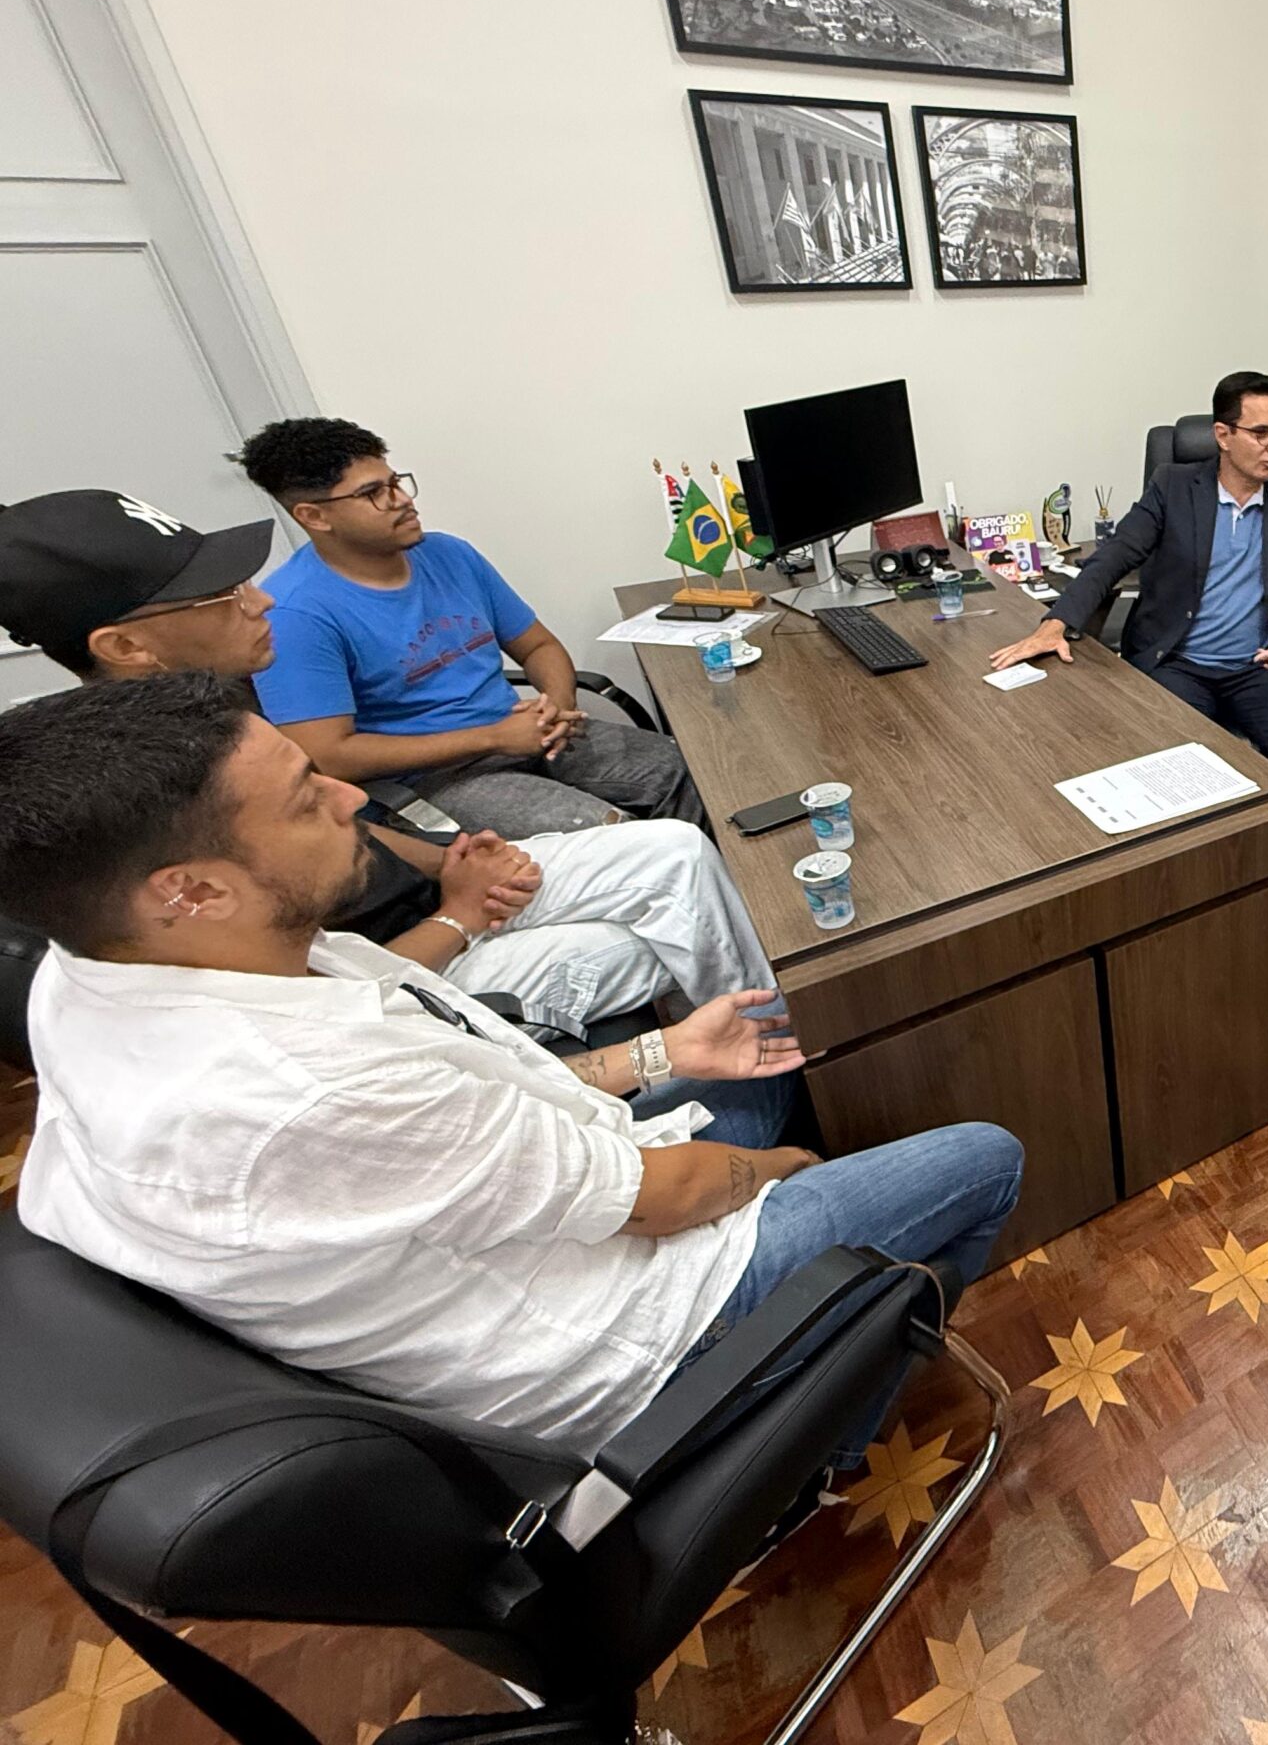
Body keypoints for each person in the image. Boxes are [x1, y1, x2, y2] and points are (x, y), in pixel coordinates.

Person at [0, 673, 1023, 1462]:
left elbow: (486, 1090)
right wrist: (787, 1171)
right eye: (306, 798)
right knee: (984, 1157)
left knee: (763, 1057)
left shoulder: (95, 971)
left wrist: (666, 1052)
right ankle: (807, 1446)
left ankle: (824, 1330)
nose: (351, 798)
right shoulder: (302, 1087)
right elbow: (669, 1199)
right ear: (190, 890)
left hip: (551, 1219)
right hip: (639, 1332)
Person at [0, 489, 769, 1041]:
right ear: (125, 646)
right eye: (223, 596)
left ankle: (775, 1024)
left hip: (434, 898)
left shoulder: (216, 704)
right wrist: (458, 916)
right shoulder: (141, 803)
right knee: (669, 932)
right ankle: (767, 1051)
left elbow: (351, 811)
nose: (260, 602)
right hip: (404, 970)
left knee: (675, 852)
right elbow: (317, 1001)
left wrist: (450, 860)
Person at [237, 417, 702, 838]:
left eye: (395, 482)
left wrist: (557, 708)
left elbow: (538, 646)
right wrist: (493, 737)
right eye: (372, 493)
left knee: (695, 772)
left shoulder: (449, 554)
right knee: (621, 841)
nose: (402, 500)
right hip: (436, 779)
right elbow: (329, 756)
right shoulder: (294, 614)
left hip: (527, 735)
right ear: (314, 516)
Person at [989, 370, 1268, 790]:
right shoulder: (1173, 486)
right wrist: (1055, 623)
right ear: (1223, 434)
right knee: (1178, 753)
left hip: (1260, 664)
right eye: (1261, 433)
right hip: (1178, 662)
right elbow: (1114, 556)